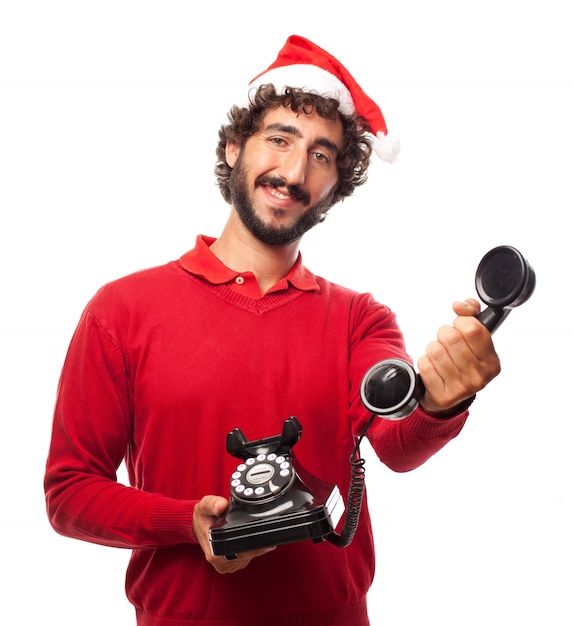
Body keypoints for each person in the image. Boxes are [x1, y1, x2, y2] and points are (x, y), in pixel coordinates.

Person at [44, 35, 501, 626]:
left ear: (336, 185)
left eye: (321, 155)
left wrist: (442, 399)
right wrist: (188, 523)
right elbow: (69, 494)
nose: (292, 171)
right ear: (234, 147)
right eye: (279, 139)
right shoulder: (120, 310)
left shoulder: (361, 319)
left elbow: (396, 442)